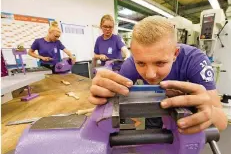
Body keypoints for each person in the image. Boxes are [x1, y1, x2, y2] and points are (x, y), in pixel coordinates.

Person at [89, 16, 228, 134]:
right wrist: (103, 95)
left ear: (175, 54)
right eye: (141, 63)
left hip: (188, 124)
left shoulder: (195, 60)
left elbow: (222, 123)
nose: (150, 75)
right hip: (153, 115)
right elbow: (112, 100)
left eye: (160, 63)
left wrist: (211, 113)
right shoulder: (130, 64)